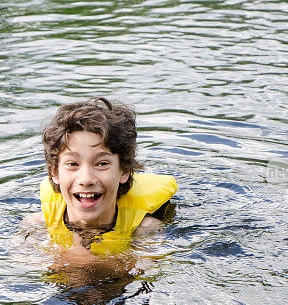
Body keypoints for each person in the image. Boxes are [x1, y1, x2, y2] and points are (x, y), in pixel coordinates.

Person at [27, 97, 177, 256]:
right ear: (54, 172)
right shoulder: (35, 226)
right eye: (72, 164)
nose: (86, 179)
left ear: (124, 170)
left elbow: (145, 271)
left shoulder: (146, 230)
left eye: (102, 164)